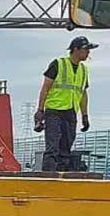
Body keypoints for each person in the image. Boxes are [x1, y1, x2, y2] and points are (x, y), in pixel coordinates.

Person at [35, 36, 97, 171]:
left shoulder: (84, 70)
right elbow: (46, 87)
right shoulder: (58, 64)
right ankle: (47, 179)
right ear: (75, 49)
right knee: (53, 147)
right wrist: (40, 110)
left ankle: (60, 178)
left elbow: (83, 94)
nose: (88, 53)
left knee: (66, 148)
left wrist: (85, 116)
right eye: (86, 50)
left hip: (71, 112)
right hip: (54, 111)